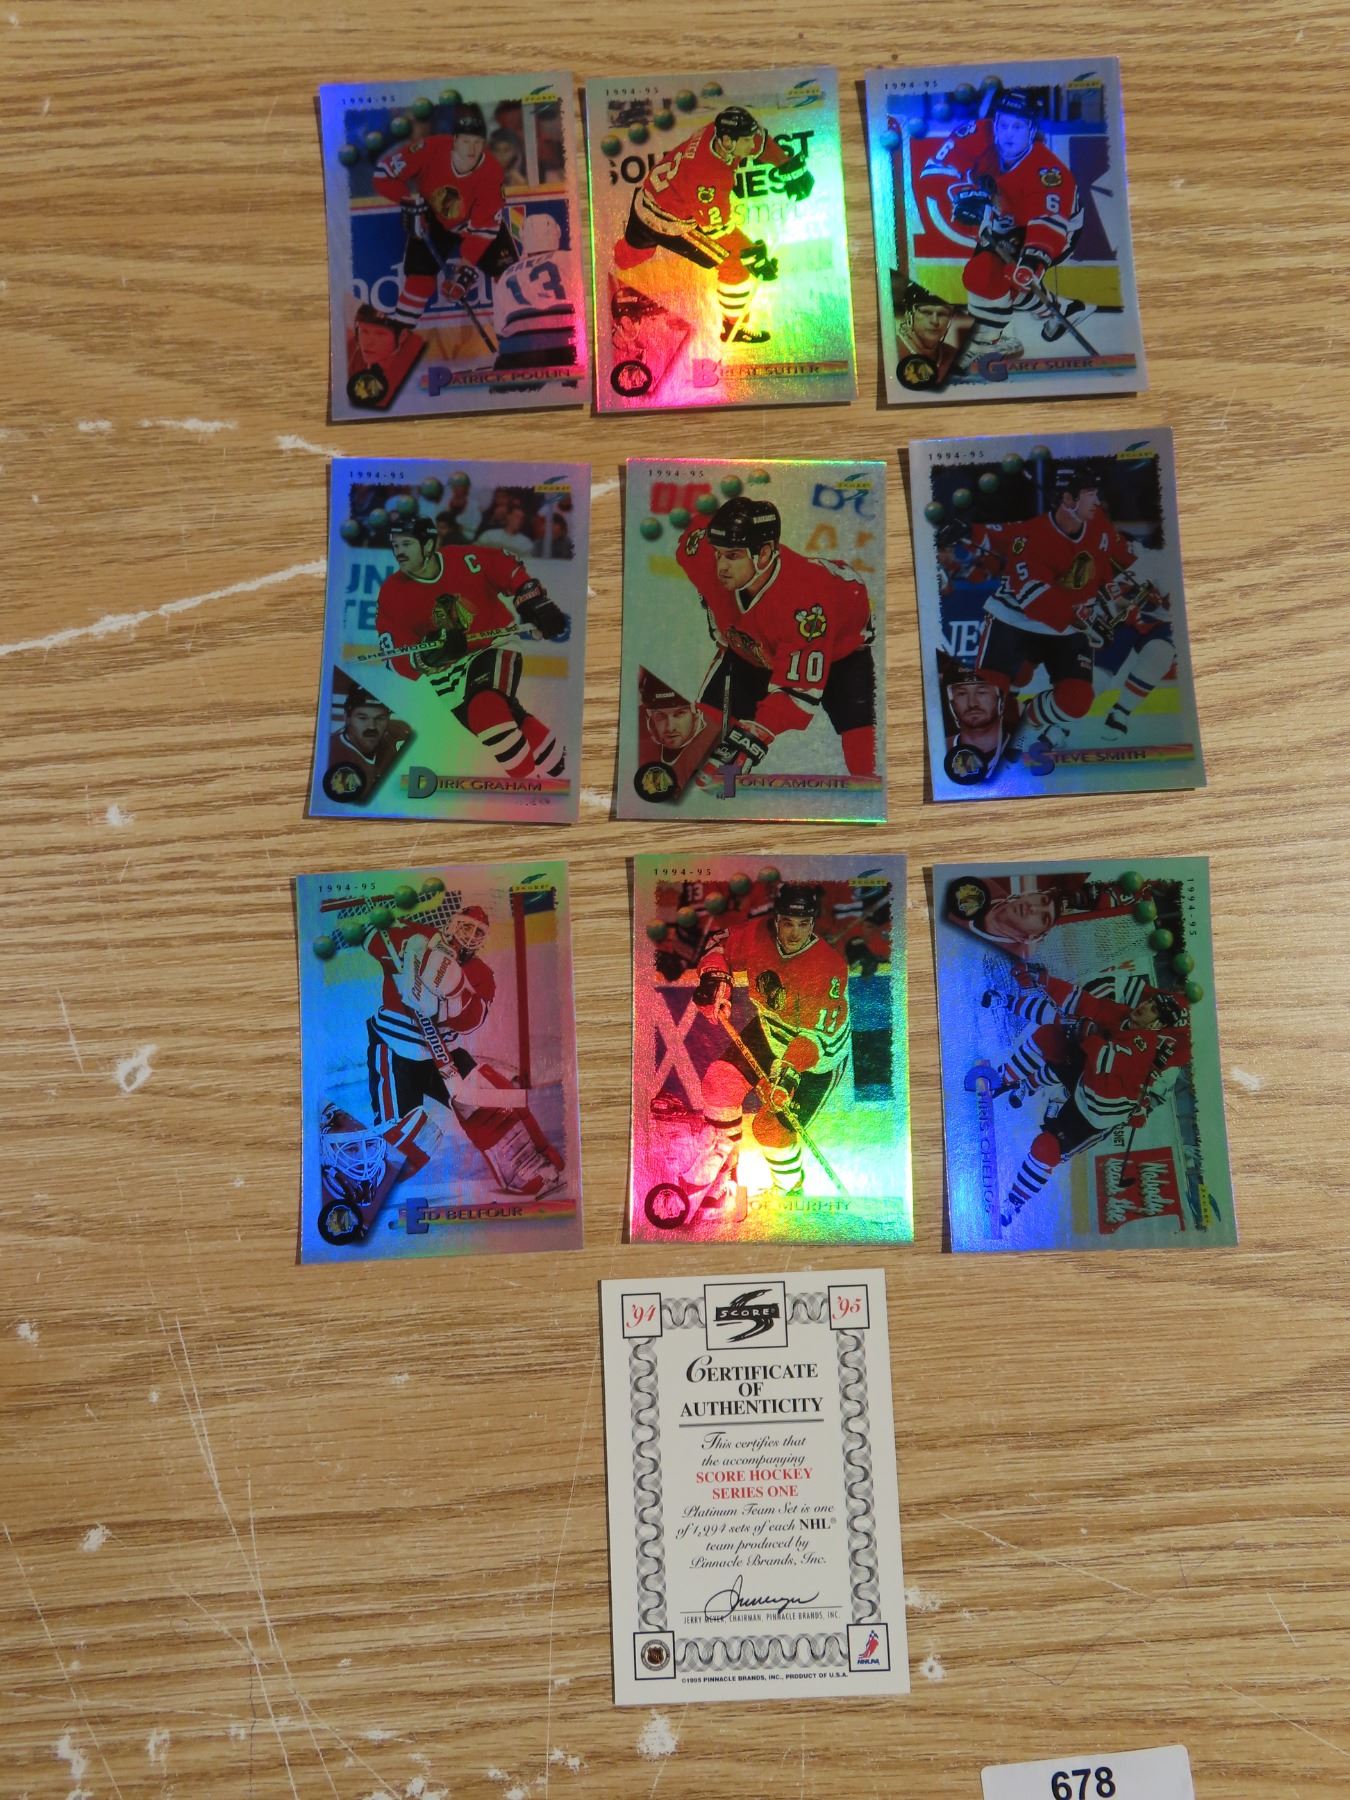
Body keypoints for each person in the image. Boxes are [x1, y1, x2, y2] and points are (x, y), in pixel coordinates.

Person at [966, 965, 1192, 1227]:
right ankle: (1001, 1080)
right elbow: (1083, 1001)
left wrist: (1087, 1033)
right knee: (1052, 1034)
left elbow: (1107, 1062)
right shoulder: (1122, 1014)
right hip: (1087, 1076)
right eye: (1150, 1002)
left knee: (1046, 1147)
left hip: (1096, 1113)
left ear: (1157, 1024)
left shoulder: (1146, 1045)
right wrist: (1046, 981)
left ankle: (1013, 1204)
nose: (1145, 1005)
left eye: (1153, 1009)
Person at [676, 496, 878, 789]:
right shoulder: (700, 555)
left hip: (840, 649)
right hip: (754, 643)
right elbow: (692, 533)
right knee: (701, 739)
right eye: (717, 553)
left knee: (861, 745)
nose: (720, 567)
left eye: (732, 556)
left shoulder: (807, 603)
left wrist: (752, 737)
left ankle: (867, 778)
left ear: (764, 554)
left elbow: (797, 695)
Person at [968, 460, 1138, 771]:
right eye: (1090, 493)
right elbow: (1037, 600)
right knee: (989, 694)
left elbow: (1122, 557)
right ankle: (995, 730)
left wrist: (1147, 574)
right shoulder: (1030, 537)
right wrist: (1087, 622)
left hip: (1068, 629)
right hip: (1014, 620)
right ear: (1068, 500)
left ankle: (1026, 722)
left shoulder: (1098, 523)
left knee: (1076, 701)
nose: (1098, 500)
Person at [685, 883, 851, 1201]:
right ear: (777, 920)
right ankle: (725, 1170)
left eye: (803, 924)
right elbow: (718, 944)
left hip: (817, 1056)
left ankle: (789, 1189)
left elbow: (815, 1039)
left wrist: (786, 1076)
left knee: (769, 1128)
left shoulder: (827, 966)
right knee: (719, 1084)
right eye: (788, 923)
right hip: (770, 1029)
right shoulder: (757, 934)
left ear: (813, 924)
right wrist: (715, 977)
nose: (794, 933)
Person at [375, 515, 569, 779]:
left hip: (494, 645)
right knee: (501, 717)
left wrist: (530, 598)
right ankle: (556, 762)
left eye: (406, 544)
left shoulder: (463, 559)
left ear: (428, 545)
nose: (399, 551)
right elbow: (393, 653)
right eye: (395, 545)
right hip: (446, 674)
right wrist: (425, 657)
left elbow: (504, 565)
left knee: (484, 708)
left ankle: (524, 777)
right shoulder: (391, 593)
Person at [613, 105, 813, 344]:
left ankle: (615, 267)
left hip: (645, 201)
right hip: (669, 224)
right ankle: (733, 327)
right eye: (747, 141)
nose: (753, 144)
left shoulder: (717, 133)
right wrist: (752, 255)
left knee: (628, 256)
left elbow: (760, 141)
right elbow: (719, 231)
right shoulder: (708, 180)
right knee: (736, 264)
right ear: (728, 142)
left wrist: (786, 165)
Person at [921, 88, 1087, 365]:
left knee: (991, 274)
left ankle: (987, 342)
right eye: (1004, 124)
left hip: (1058, 231)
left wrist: (1033, 261)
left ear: (1032, 130)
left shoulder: (1049, 171)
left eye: (1018, 126)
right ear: (994, 123)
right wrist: (960, 193)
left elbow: (1050, 224)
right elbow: (933, 172)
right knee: (986, 276)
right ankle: (1061, 309)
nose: (1009, 134)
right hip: (1006, 222)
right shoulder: (975, 134)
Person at [370, 100, 517, 334]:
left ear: (484, 144)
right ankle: (398, 332)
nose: (471, 149)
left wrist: (465, 268)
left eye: (477, 142)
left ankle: (520, 325)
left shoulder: (491, 172)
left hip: (476, 226)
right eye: (465, 141)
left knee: (509, 275)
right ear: (454, 140)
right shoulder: (429, 149)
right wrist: (409, 201)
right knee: (419, 278)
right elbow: (383, 174)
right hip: (434, 217)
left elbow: (484, 228)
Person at [325, 686, 411, 803]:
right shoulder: (331, 754)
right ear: (347, 718)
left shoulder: (399, 731)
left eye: (380, 718)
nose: (372, 726)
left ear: (388, 719)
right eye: (362, 718)